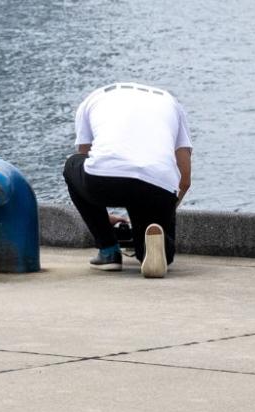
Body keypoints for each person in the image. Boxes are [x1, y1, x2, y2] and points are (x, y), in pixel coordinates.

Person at [64, 82, 191, 279]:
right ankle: (156, 245)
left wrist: (102, 219)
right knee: (150, 236)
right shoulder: (170, 102)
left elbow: (87, 159)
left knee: (72, 164)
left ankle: (108, 251)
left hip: (104, 182)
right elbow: (185, 180)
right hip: (158, 185)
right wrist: (164, 212)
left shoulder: (92, 100)